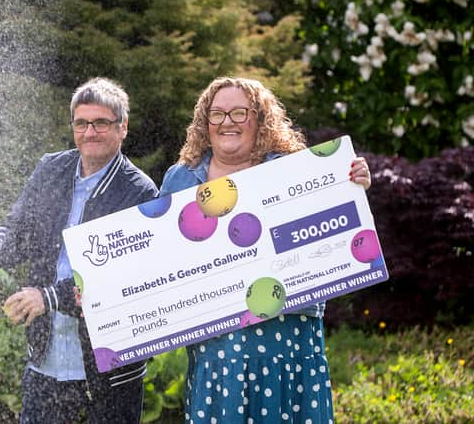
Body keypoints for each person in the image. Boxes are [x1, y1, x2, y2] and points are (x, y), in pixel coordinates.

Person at [159, 77, 372, 424]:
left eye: (239, 112)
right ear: (204, 122)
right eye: (217, 114)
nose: (227, 122)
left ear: (259, 119)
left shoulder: (296, 169)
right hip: (217, 347)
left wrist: (354, 184)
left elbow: (335, 232)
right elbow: (157, 257)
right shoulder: (180, 179)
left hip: (285, 338)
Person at [0, 77, 158, 424]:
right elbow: (17, 230)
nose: (89, 132)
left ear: (122, 127)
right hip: (46, 359)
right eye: (81, 123)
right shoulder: (51, 169)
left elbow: (124, 279)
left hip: (110, 369)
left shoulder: (138, 190)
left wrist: (49, 298)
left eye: (100, 123)